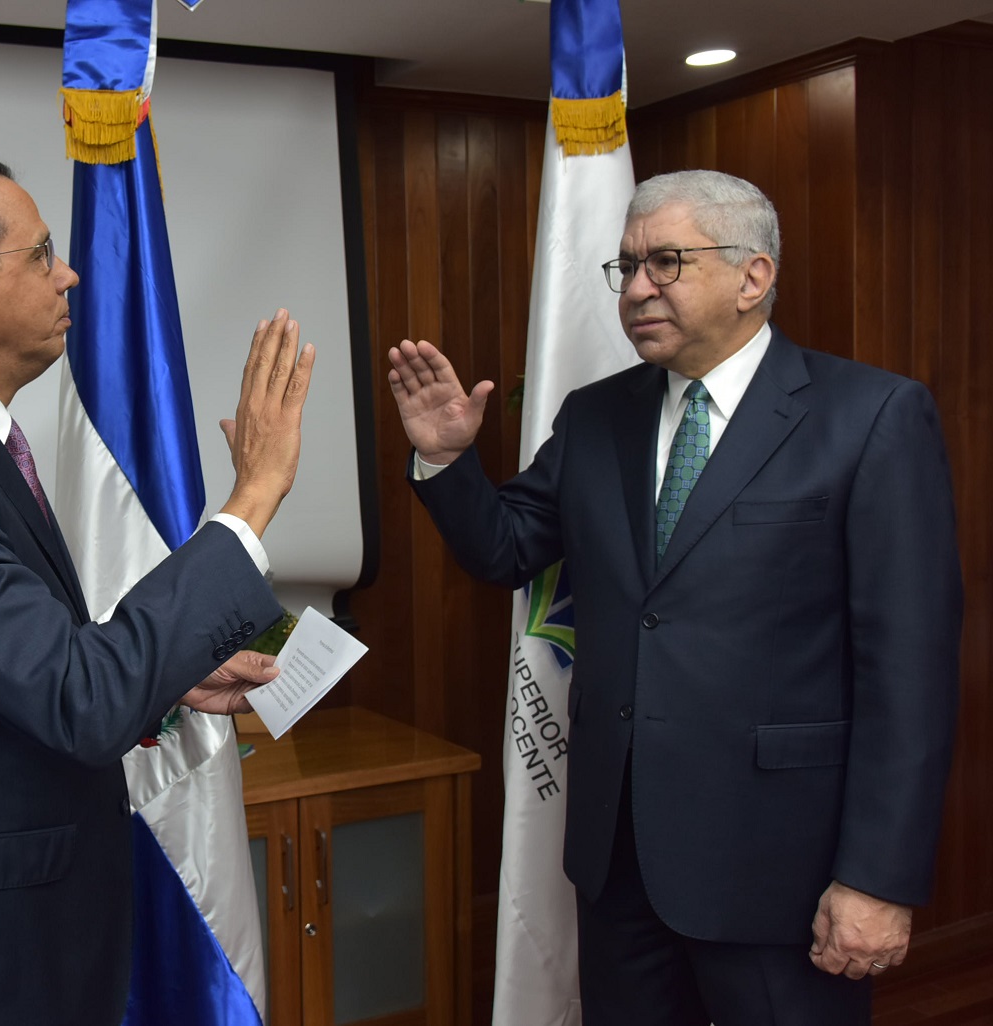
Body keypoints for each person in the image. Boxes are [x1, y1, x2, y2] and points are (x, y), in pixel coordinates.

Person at [388, 170, 962, 1026]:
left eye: (667, 261)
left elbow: (910, 673)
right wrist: (445, 460)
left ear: (753, 277)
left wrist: (877, 878)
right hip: (620, 865)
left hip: (782, 870)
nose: (639, 288)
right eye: (627, 267)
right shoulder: (596, 418)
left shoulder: (869, 416)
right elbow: (508, 550)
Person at [0, 155, 314, 1026]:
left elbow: (16, 677)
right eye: (40, 256)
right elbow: (77, 697)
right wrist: (252, 496)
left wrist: (164, 686)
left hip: (12, 937)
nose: (69, 272)